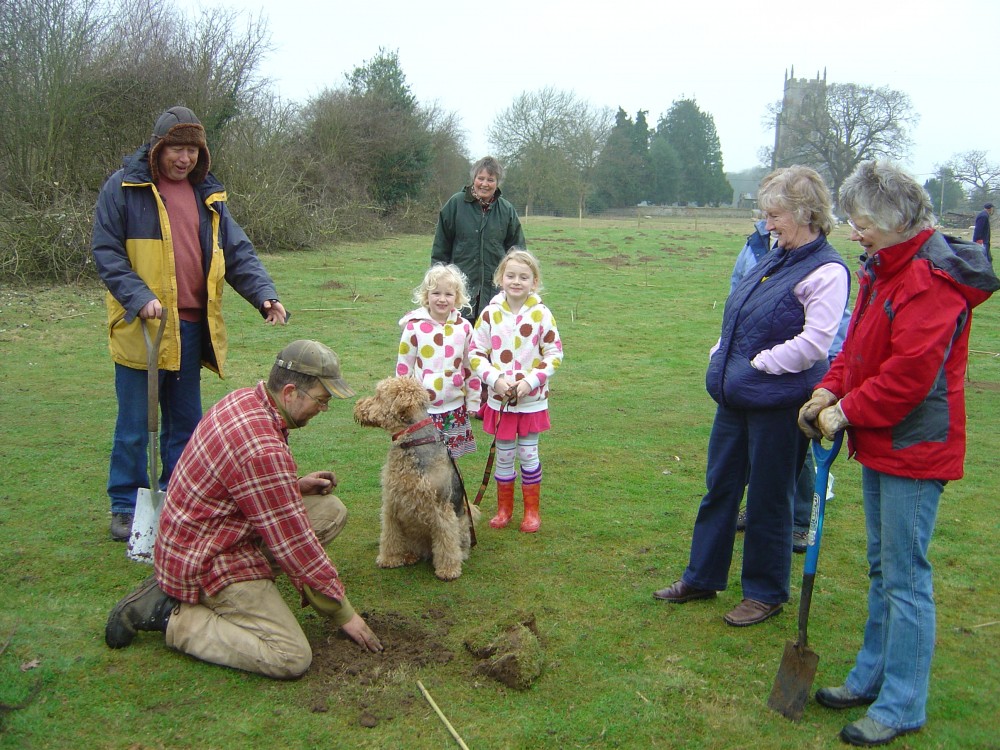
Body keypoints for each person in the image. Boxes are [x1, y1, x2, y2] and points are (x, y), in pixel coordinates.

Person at [799, 161, 998, 747]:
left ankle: (903, 702)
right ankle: (870, 675)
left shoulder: (929, 281)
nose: (853, 232)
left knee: (906, 576)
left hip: (916, 445)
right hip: (883, 441)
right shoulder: (884, 269)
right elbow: (858, 348)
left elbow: (909, 376)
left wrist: (847, 412)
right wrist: (827, 387)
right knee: (884, 568)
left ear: (891, 221)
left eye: (860, 222)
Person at [104, 340, 383, 678]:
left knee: (330, 510)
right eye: (321, 400)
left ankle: (213, 590)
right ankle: (174, 617)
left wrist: (292, 486)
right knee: (290, 656)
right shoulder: (261, 447)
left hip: (206, 531)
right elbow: (295, 544)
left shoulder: (247, 399)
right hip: (207, 556)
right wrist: (344, 614)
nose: (323, 410)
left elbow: (241, 486)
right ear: (292, 392)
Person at [652, 166, 850, 627]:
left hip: (779, 404)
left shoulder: (827, 269)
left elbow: (815, 344)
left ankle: (765, 593)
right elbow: (739, 316)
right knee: (720, 487)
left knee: (768, 497)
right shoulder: (773, 256)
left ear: (805, 213)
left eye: (775, 213)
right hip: (736, 397)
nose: (768, 222)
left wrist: (757, 366)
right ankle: (702, 576)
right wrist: (722, 351)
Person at [92, 106, 288, 542]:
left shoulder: (207, 196)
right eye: (177, 149)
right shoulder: (124, 188)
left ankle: (176, 500)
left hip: (190, 327)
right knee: (134, 424)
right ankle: (125, 504)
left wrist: (264, 295)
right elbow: (106, 251)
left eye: (193, 151)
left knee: (186, 423)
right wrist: (139, 296)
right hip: (141, 327)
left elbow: (237, 253)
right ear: (159, 147)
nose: (185, 159)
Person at [731, 217, 852, 553]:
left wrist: (832, 373)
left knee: (794, 451)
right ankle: (758, 508)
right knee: (759, 451)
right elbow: (738, 288)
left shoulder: (820, 264)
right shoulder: (758, 242)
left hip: (796, 372)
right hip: (752, 371)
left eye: (776, 212)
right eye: (765, 210)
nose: (769, 221)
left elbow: (832, 327)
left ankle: (800, 521)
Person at [469, 249, 563, 533]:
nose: (516, 281)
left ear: (534, 282)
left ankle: (532, 512)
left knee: (529, 454)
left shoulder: (542, 314)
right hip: (500, 403)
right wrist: (494, 380)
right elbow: (475, 353)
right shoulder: (488, 314)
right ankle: (504, 509)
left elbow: (554, 354)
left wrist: (530, 381)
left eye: (524, 277)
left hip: (531, 403)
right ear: (501, 278)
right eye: (511, 275)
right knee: (505, 455)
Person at [396, 263, 481, 458]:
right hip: (423, 410)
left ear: (457, 297)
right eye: (436, 293)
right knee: (423, 458)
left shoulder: (465, 328)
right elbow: (403, 370)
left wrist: (474, 401)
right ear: (426, 295)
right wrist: (404, 404)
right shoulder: (413, 328)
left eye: (448, 294)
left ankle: (450, 489)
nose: (442, 299)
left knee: (450, 461)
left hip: (455, 408)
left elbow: (471, 368)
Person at [431, 156, 526, 323]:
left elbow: (518, 254)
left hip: (495, 294)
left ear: (497, 183)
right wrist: (438, 284)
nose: (485, 184)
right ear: (473, 179)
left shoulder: (507, 211)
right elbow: (440, 250)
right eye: (480, 178)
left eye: (490, 179)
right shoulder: (455, 205)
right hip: (459, 291)